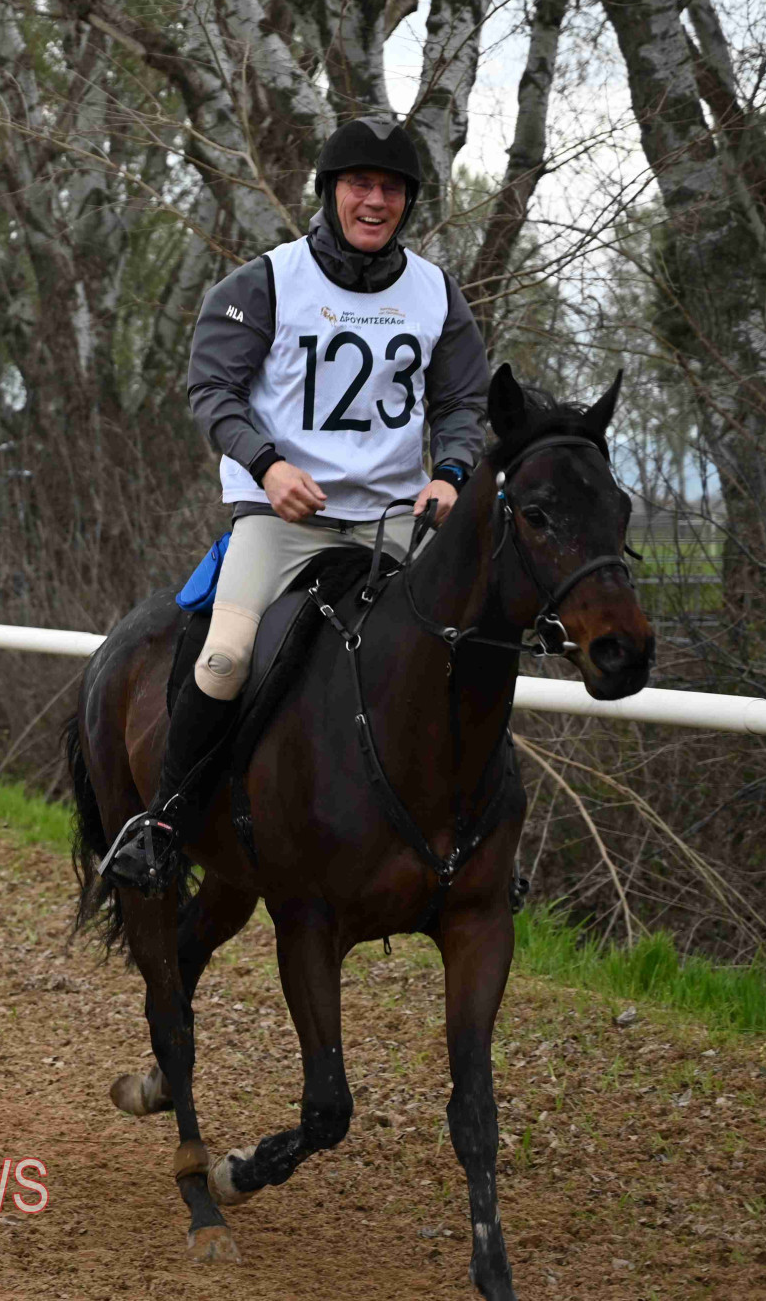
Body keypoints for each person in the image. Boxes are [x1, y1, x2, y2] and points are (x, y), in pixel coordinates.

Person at [101, 117, 492, 888]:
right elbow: (212, 388)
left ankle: (478, 834)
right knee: (225, 653)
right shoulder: (266, 282)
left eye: (391, 189)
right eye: (360, 186)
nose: (375, 201)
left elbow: (463, 400)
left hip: (394, 520)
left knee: (469, 648)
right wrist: (268, 464)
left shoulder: (436, 293)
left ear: (408, 201)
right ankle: (167, 823)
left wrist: (450, 469)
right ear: (331, 192)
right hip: (285, 520)